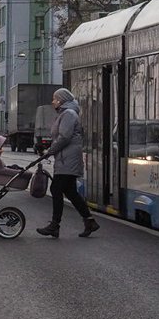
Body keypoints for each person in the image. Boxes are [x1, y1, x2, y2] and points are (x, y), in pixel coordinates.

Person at [36, 88, 100, 239]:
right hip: (65, 158)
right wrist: (47, 147)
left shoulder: (69, 114)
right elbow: (60, 136)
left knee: (56, 188)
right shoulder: (65, 114)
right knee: (70, 192)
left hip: (68, 160)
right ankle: (89, 221)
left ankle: (54, 225)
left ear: (61, 100)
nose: (52, 102)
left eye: (54, 99)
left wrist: (50, 151)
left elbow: (64, 137)